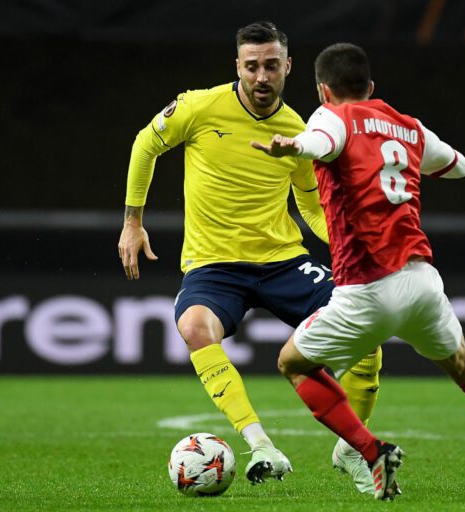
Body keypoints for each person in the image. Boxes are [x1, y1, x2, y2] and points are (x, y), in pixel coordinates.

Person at [252, 42, 465, 500]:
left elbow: (321, 142)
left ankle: (368, 450)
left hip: (366, 289)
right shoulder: (409, 127)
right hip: (421, 284)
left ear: (323, 91)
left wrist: (294, 146)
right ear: (371, 86)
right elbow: (460, 166)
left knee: (292, 363)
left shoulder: (331, 117)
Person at [117, 22, 383, 491]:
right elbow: (146, 144)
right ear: (237, 66)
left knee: (367, 332)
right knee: (194, 327)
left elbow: (310, 205)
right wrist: (133, 221)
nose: (262, 76)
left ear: (288, 67)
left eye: (271, 66)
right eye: (252, 66)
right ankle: (261, 446)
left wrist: (348, 246)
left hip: (282, 261)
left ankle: (351, 448)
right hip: (215, 266)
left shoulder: (300, 131)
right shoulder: (199, 107)